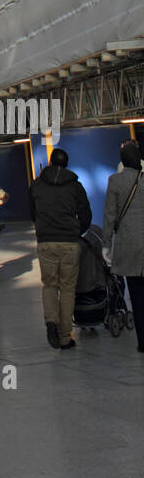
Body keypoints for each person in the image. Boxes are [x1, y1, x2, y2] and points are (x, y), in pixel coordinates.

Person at [29, 147, 92, 350]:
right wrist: (77, 231)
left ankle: (51, 321)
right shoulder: (75, 186)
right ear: (66, 163)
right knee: (67, 289)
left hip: (46, 241)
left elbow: (33, 212)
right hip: (69, 242)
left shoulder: (37, 185)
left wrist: (43, 228)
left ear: (49, 162)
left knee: (49, 285)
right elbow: (86, 215)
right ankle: (65, 336)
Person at [102, 141, 144, 351]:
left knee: (136, 293)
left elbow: (110, 215)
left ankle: (142, 341)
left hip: (128, 244)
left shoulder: (115, 181)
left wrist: (106, 244)